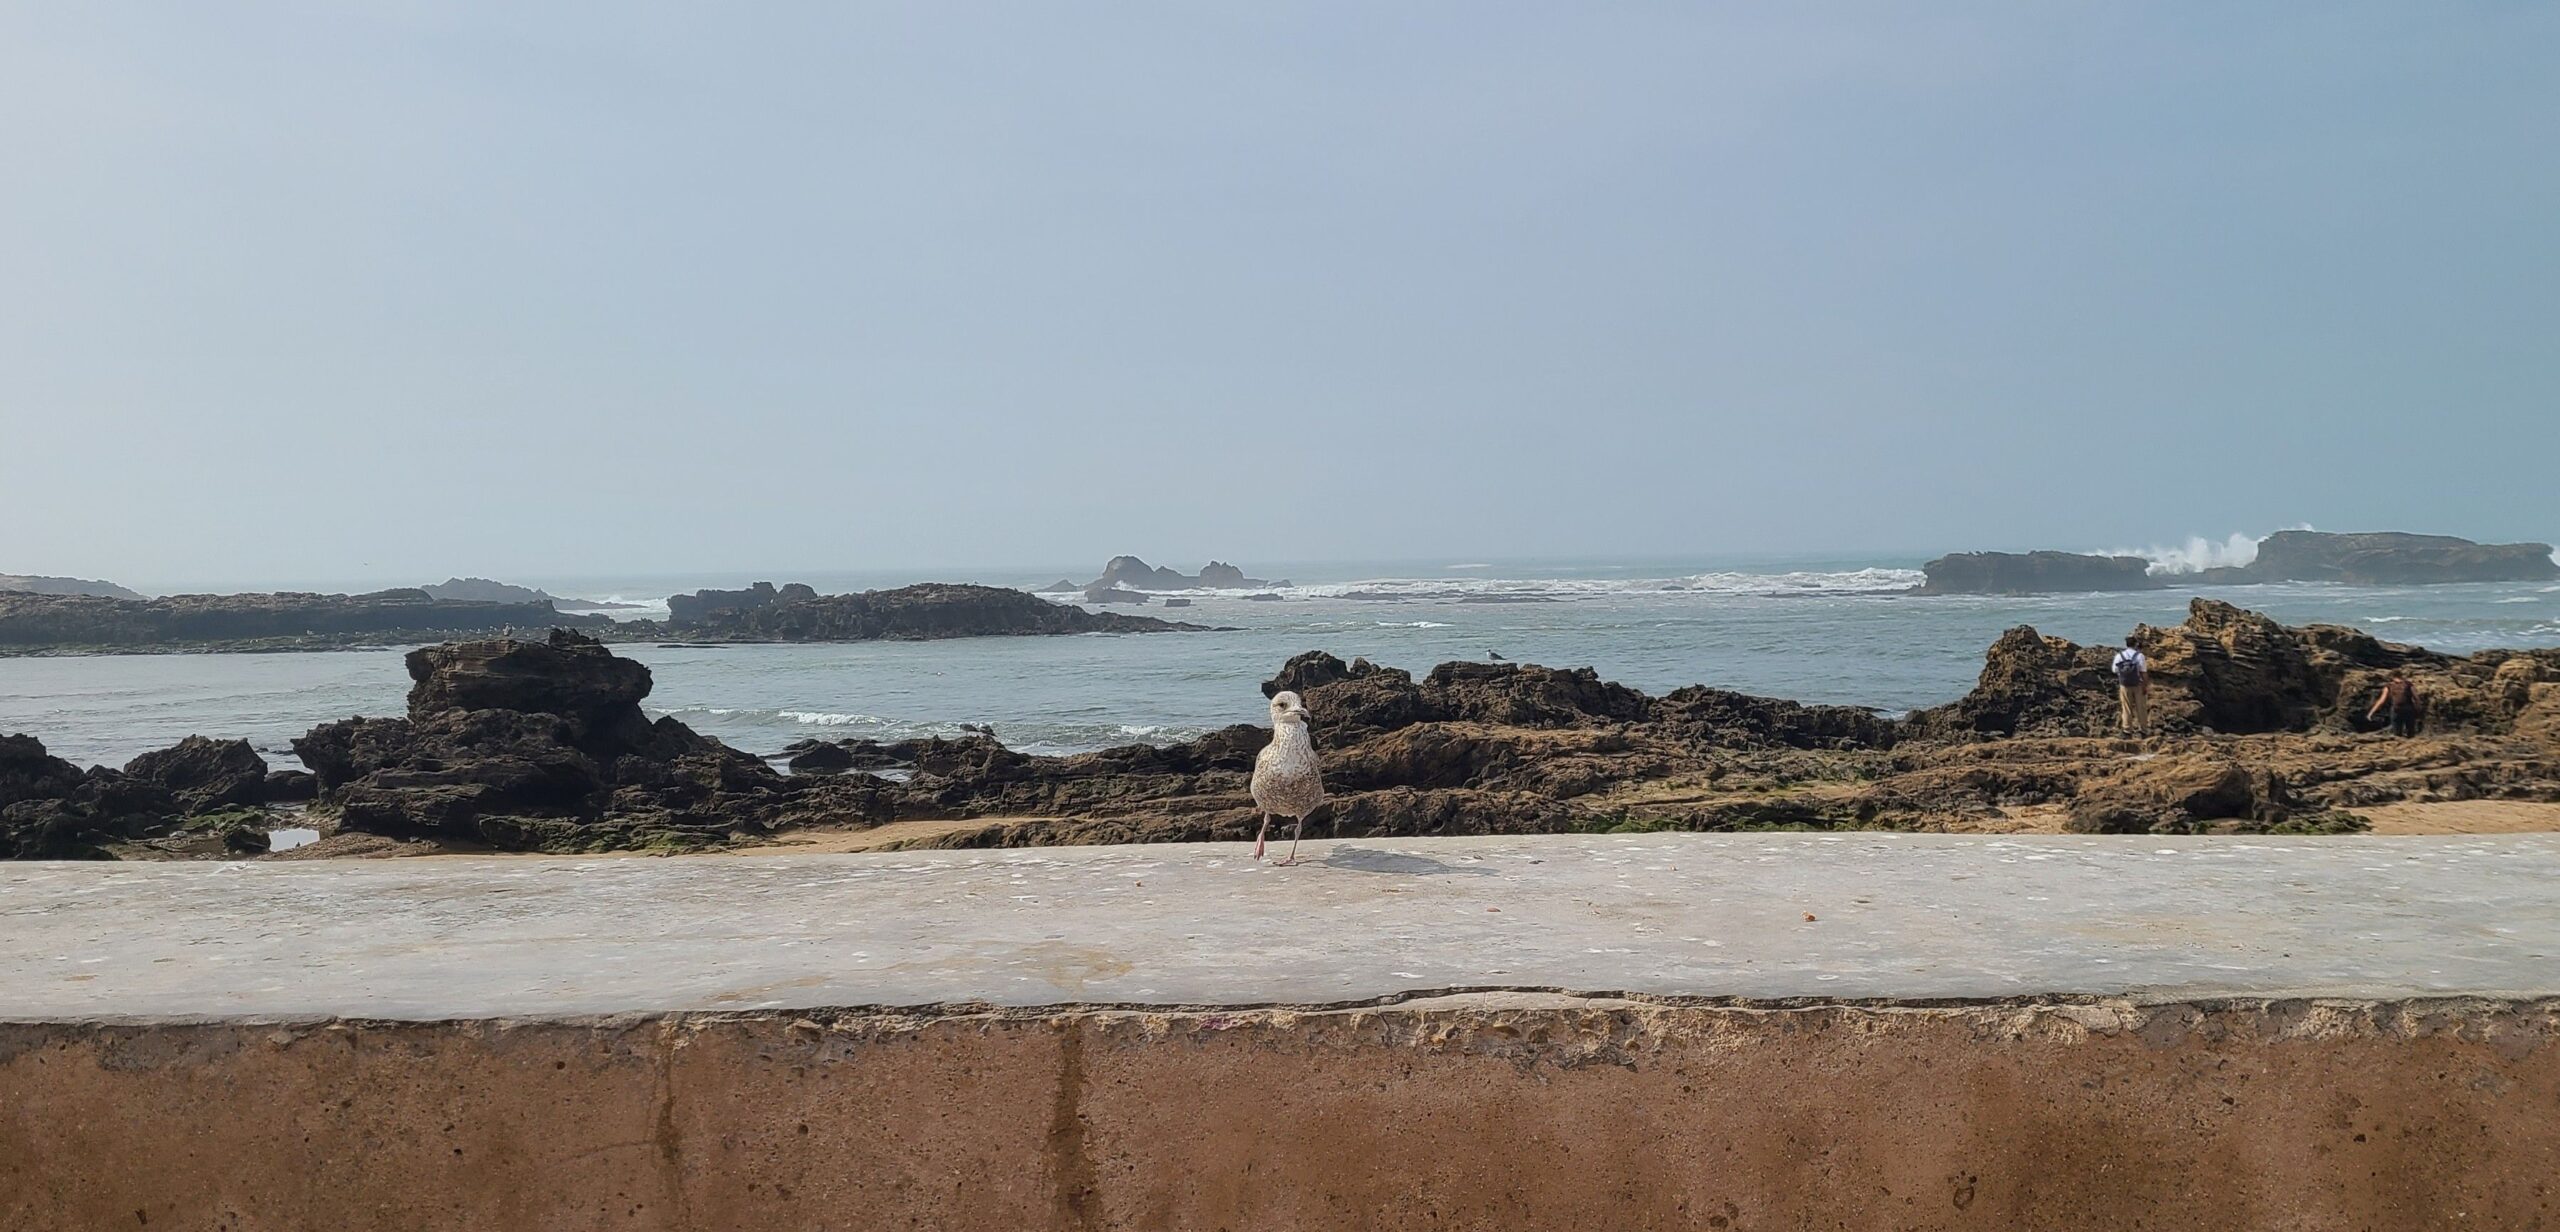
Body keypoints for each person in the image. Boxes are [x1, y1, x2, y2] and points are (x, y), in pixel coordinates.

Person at [2112, 637, 2150, 734]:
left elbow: (2114, 670)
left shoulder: (2119, 655)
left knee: (2126, 707)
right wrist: (2145, 686)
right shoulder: (2140, 656)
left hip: (2124, 684)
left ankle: (2127, 729)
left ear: (2126, 644)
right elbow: (2143, 672)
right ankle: (2143, 729)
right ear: (2135, 644)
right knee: (2141, 707)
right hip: (2138, 684)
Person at [2368, 671, 2421, 738]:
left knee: (2397, 733)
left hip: (2396, 709)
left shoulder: (2389, 686)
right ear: (2401, 675)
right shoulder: (2408, 684)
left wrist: (2371, 712)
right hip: (2408, 709)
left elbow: (2381, 700)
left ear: (2392, 677)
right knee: (2410, 732)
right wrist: (2418, 709)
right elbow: (2416, 698)